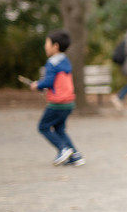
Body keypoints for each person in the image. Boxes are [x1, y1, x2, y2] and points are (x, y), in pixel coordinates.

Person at [29, 29, 85, 166]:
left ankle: (63, 149)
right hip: (68, 103)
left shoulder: (52, 63)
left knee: (43, 127)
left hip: (57, 103)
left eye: (47, 43)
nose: (45, 46)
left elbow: (48, 82)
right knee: (59, 129)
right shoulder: (66, 61)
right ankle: (75, 155)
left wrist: (37, 85)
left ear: (55, 46)